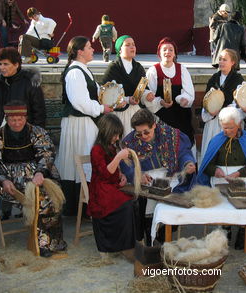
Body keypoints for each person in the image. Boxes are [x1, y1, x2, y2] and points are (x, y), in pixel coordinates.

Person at [0, 102, 67, 257]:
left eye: (20, 119)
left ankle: (54, 243)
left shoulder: (37, 132)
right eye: (13, 120)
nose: (17, 123)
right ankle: (41, 244)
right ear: (7, 118)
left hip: (37, 174)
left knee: (52, 199)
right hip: (11, 178)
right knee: (40, 202)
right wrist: (3, 180)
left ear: (25, 117)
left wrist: (40, 172)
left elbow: (47, 153)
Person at [197, 107, 246, 248]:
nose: (226, 131)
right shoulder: (216, 140)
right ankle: (225, 229)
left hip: (243, 179)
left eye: (230, 128)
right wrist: (216, 171)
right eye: (224, 128)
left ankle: (242, 230)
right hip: (220, 179)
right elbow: (206, 166)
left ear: (239, 124)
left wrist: (238, 174)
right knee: (220, 200)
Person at [55, 36, 112, 216]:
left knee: (86, 160)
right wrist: (101, 108)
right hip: (78, 124)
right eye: (89, 47)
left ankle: (86, 206)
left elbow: (97, 92)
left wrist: (116, 96)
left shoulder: (83, 70)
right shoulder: (75, 72)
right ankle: (77, 207)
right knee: (79, 161)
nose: (92, 49)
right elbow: (80, 102)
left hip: (86, 122)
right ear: (80, 51)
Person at [122, 108, 196, 245]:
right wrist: (138, 175)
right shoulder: (130, 142)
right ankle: (151, 238)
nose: (143, 136)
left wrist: (188, 163)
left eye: (146, 132)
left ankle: (162, 234)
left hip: (170, 176)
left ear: (154, 125)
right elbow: (127, 164)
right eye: (139, 133)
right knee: (144, 203)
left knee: (175, 200)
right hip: (148, 179)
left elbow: (183, 153)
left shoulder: (170, 135)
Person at [88, 113, 137, 260]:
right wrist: (118, 157)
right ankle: (123, 247)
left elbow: (114, 171)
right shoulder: (96, 149)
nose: (117, 138)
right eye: (115, 134)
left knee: (134, 201)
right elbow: (105, 173)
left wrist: (121, 175)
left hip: (111, 186)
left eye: (118, 135)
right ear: (106, 131)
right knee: (126, 205)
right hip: (100, 190)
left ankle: (128, 244)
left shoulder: (110, 147)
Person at [145, 37, 195, 145]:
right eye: (164, 50)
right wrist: (160, 102)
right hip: (161, 116)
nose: (168, 52)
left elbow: (189, 92)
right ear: (159, 53)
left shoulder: (182, 69)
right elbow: (148, 96)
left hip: (181, 116)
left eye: (171, 50)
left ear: (175, 53)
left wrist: (184, 99)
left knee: (182, 145)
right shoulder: (153, 71)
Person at [102, 35, 154, 136]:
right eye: (128, 45)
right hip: (119, 114)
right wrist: (126, 99)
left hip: (136, 113)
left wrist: (147, 95)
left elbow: (142, 88)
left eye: (133, 45)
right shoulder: (113, 68)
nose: (132, 47)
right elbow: (106, 94)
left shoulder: (138, 67)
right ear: (119, 49)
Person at [0, 47, 46, 133]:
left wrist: (35, 133)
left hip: (23, 131)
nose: (2, 68)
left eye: (6, 64)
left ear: (16, 65)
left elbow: (39, 112)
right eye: (0, 64)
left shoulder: (30, 82)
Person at [201, 48, 243, 163]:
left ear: (233, 62)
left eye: (225, 59)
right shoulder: (214, 78)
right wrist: (210, 111)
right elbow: (205, 100)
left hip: (229, 122)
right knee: (212, 154)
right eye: (220, 59)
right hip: (213, 122)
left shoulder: (237, 79)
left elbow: (239, 103)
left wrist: (224, 111)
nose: (221, 62)